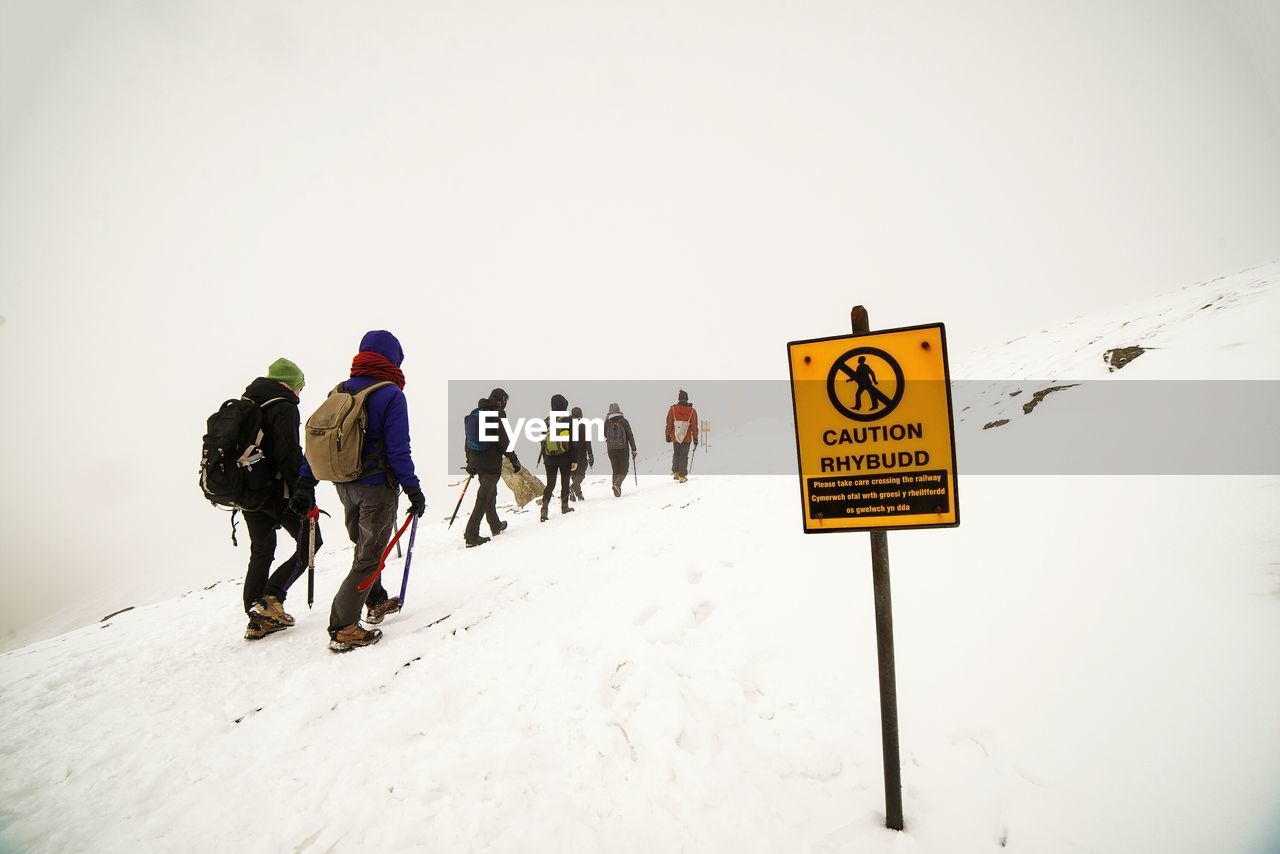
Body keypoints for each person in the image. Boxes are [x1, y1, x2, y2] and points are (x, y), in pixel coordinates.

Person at [299, 330, 426, 653]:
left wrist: (306, 481)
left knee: (363, 545)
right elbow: (399, 450)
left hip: (345, 484)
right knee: (369, 557)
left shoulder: (340, 390)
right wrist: (413, 489)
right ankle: (343, 626)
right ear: (392, 357)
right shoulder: (391, 394)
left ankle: (377, 600)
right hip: (376, 488)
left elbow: (316, 444)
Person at [238, 358, 323, 641]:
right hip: (277, 492)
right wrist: (305, 492)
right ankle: (271, 599)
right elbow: (288, 454)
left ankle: (257, 618)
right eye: (300, 387)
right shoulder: (283, 405)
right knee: (311, 542)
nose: (300, 394)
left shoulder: (248, 402)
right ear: (290, 385)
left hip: (248, 492)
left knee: (261, 550)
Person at [463, 387, 522, 548]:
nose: (505, 404)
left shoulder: (476, 412)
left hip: (477, 461)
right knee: (484, 497)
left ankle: (495, 524)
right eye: (505, 400)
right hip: (490, 462)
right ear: (500, 399)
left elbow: (468, 440)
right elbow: (505, 441)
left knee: (490, 492)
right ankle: (471, 534)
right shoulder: (498, 413)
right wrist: (514, 460)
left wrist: (470, 462)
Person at [537, 393, 577, 522]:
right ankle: (564, 506)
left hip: (549, 458)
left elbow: (542, 441)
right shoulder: (569, 420)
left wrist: (546, 457)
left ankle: (544, 509)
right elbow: (573, 442)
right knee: (565, 481)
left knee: (550, 484)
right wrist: (574, 459)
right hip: (565, 456)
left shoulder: (546, 421)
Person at [603, 402, 637, 497]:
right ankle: (617, 485)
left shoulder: (607, 422)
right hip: (623, 449)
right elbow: (630, 435)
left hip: (611, 450)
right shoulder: (624, 421)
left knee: (615, 469)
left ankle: (616, 490)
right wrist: (633, 448)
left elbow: (605, 435)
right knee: (624, 469)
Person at [665, 389, 699, 483]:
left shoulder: (672, 409)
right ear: (687, 399)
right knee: (683, 455)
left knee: (676, 453)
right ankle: (682, 475)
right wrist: (695, 437)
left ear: (679, 399)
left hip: (676, 436)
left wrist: (667, 434)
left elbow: (669, 423)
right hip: (686, 437)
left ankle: (675, 472)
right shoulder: (692, 411)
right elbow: (694, 426)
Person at [567, 405, 594, 502]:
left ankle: (577, 495)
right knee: (581, 474)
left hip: (569, 455)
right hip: (581, 454)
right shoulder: (582, 425)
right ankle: (573, 489)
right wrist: (590, 455)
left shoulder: (568, 425)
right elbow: (588, 442)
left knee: (574, 475)